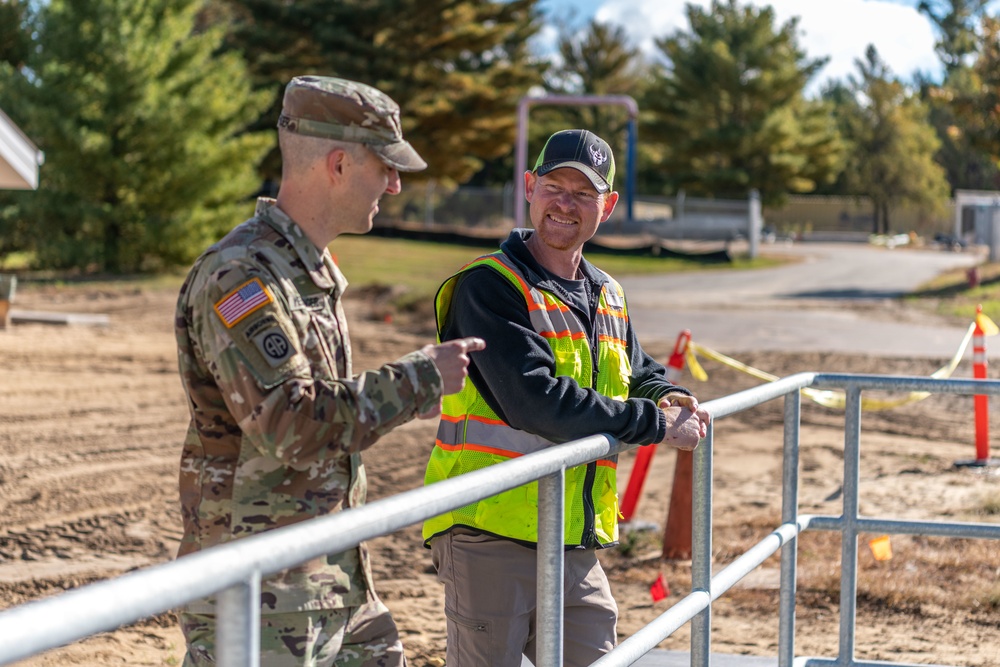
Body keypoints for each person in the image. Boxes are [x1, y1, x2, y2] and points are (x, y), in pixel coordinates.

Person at [174, 75, 484, 667]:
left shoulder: (304, 271)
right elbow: (288, 422)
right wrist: (420, 378)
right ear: (338, 165)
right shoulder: (241, 276)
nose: (395, 184)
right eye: (385, 167)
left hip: (328, 584)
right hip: (259, 598)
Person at [422, 128, 711, 667]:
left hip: (572, 538)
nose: (565, 204)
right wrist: (654, 425)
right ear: (529, 187)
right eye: (555, 186)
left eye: (584, 194)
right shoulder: (489, 285)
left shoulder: (607, 292)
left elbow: (633, 367)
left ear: (609, 206)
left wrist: (668, 393)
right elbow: (535, 400)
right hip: (489, 532)